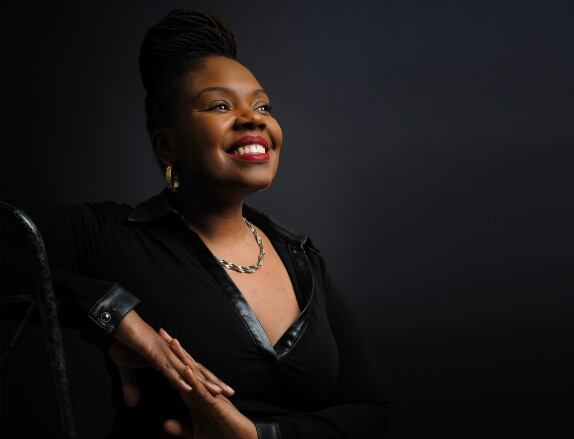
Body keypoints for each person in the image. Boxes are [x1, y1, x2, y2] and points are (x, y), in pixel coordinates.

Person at [19, 8, 391, 439]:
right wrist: (116, 317)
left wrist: (258, 437)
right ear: (166, 145)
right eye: (219, 105)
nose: (254, 119)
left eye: (263, 105)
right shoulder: (110, 233)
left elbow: (372, 412)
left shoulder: (302, 259)